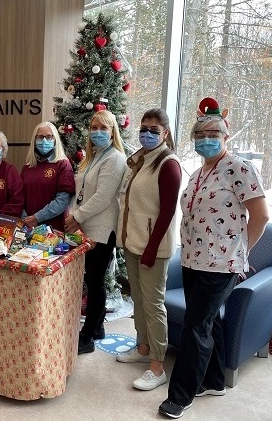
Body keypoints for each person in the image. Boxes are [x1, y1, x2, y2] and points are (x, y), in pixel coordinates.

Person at [158, 98, 269, 419]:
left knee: (195, 328)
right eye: (200, 134)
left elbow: (260, 215)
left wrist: (241, 254)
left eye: (213, 134)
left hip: (221, 266)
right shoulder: (199, 172)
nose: (206, 139)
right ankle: (215, 380)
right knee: (208, 322)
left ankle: (181, 395)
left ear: (225, 136)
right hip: (193, 261)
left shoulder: (239, 168)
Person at [115, 108, 182, 391]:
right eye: (144, 128)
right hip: (133, 243)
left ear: (165, 133)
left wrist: (152, 249)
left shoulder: (168, 164)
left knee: (154, 306)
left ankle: (157, 366)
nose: (147, 134)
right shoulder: (143, 159)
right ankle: (143, 348)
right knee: (139, 302)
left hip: (152, 248)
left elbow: (167, 212)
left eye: (154, 130)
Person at [64, 110, 127, 354]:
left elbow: (103, 197)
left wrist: (76, 217)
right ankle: (98, 327)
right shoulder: (93, 157)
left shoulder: (115, 158)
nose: (98, 132)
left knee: (95, 281)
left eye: (104, 128)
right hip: (86, 227)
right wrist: (76, 217)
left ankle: (88, 335)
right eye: (95, 127)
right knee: (92, 279)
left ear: (113, 132)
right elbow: (82, 193)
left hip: (102, 229)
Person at [20, 122, 75, 231]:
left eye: (49, 137)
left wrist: (36, 218)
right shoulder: (27, 168)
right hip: (29, 228)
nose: (44, 141)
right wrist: (25, 218)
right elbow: (19, 197)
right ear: (34, 141)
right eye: (40, 137)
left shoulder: (63, 164)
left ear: (55, 140)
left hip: (54, 229)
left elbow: (62, 201)